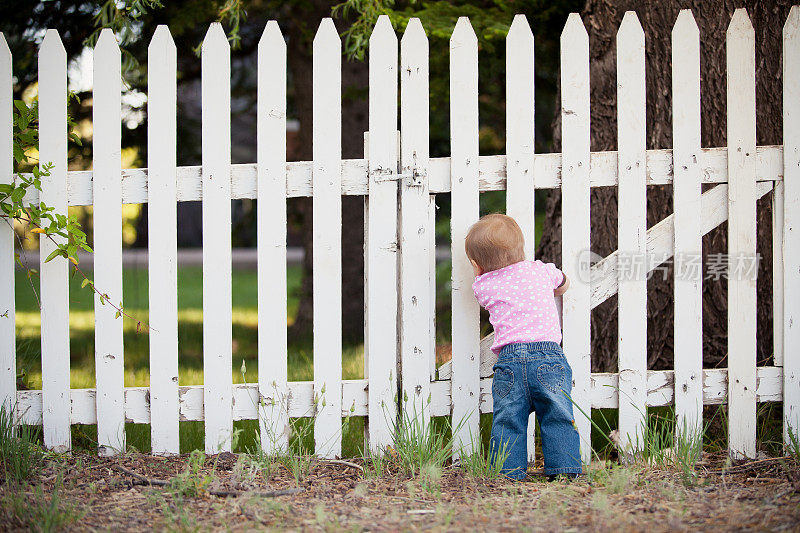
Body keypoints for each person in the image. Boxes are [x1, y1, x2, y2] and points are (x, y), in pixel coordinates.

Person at [465, 213, 582, 481]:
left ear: (476, 264)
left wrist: (479, 271)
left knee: (508, 420)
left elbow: (482, 291)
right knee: (557, 414)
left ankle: (508, 474)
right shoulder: (541, 270)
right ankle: (564, 471)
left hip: (510, 362)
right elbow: (563, 284)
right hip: (548, 357)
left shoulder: (484, 285)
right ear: (522, 249)